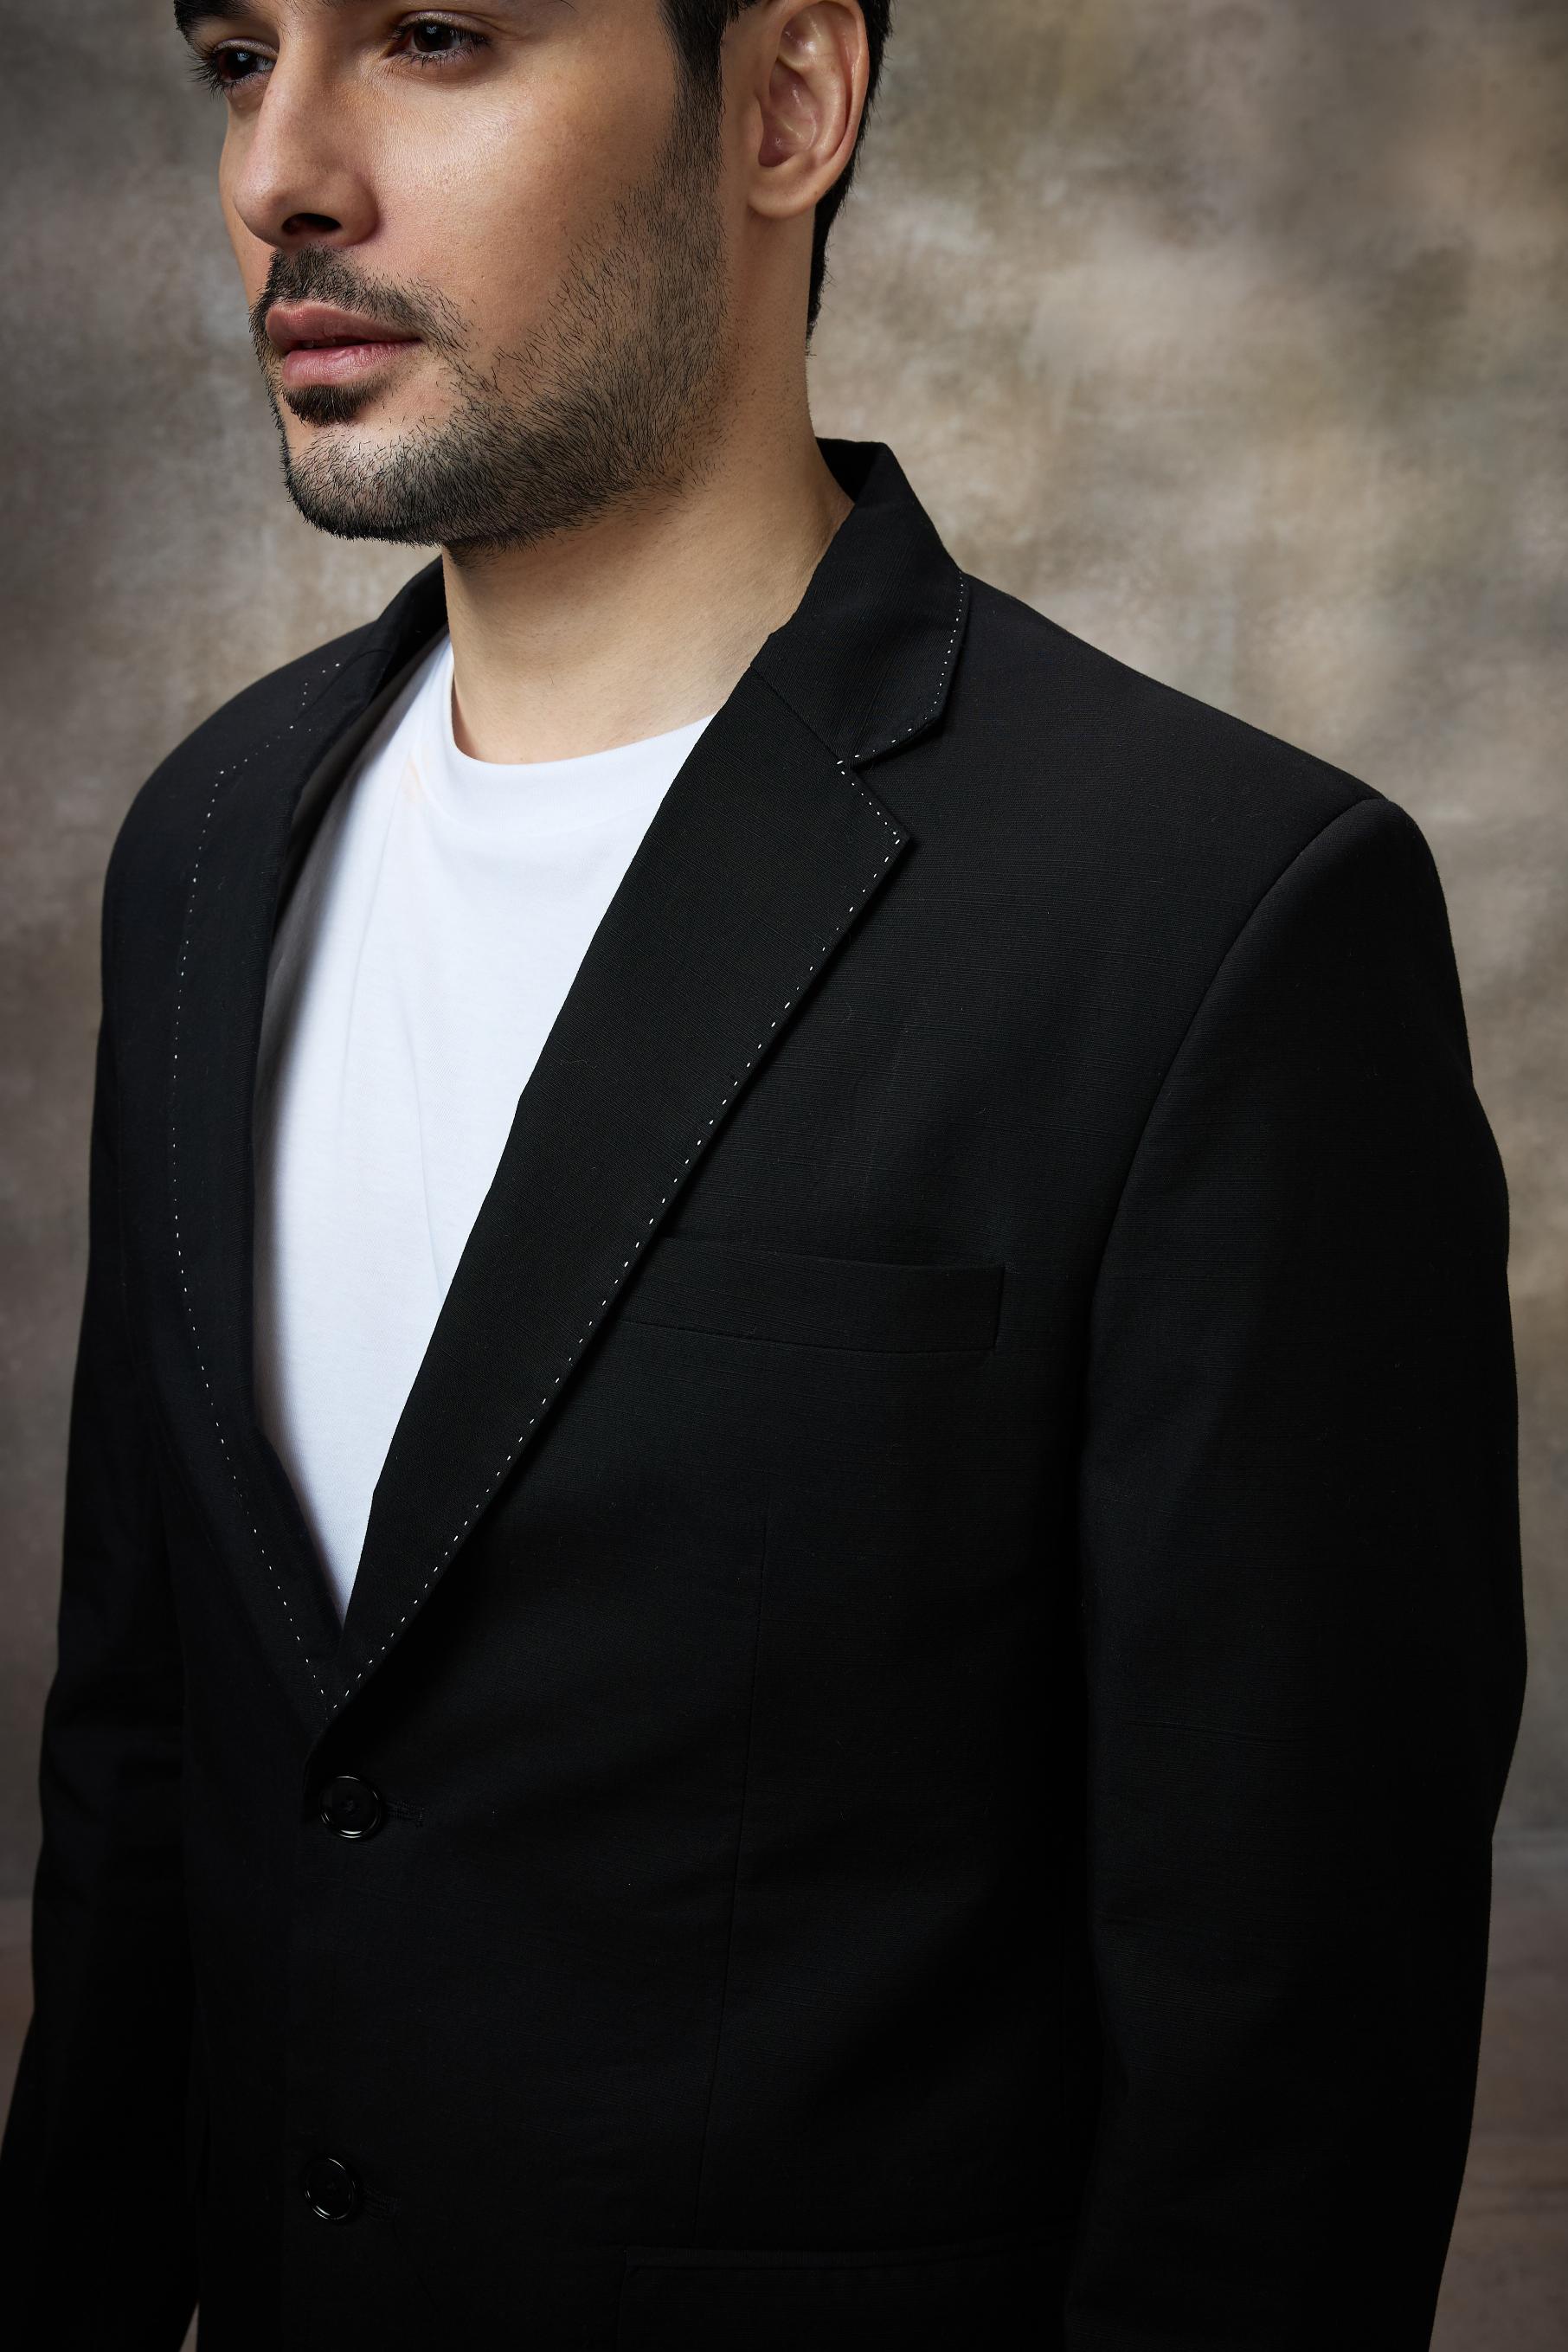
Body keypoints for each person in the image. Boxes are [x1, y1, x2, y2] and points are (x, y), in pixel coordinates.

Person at [0, 3, 1527, 2347]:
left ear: (787, 104)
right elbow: (142, 1776)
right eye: (235, 53)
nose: (278, 171)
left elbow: (1285, 2062)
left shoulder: (1209, 916)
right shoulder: (207, 843)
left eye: (431, 36)